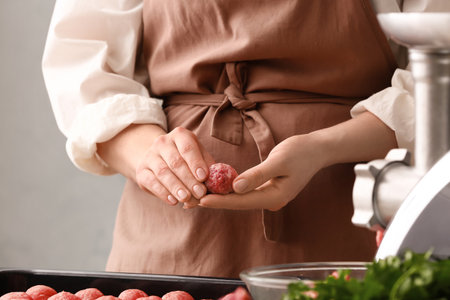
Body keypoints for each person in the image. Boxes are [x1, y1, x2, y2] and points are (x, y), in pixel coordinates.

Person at [42, 0, 446, 278]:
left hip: (347, 219)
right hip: (169, 230)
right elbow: (82, 63)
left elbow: (440, 76)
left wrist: (323, 147)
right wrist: (152, 157)